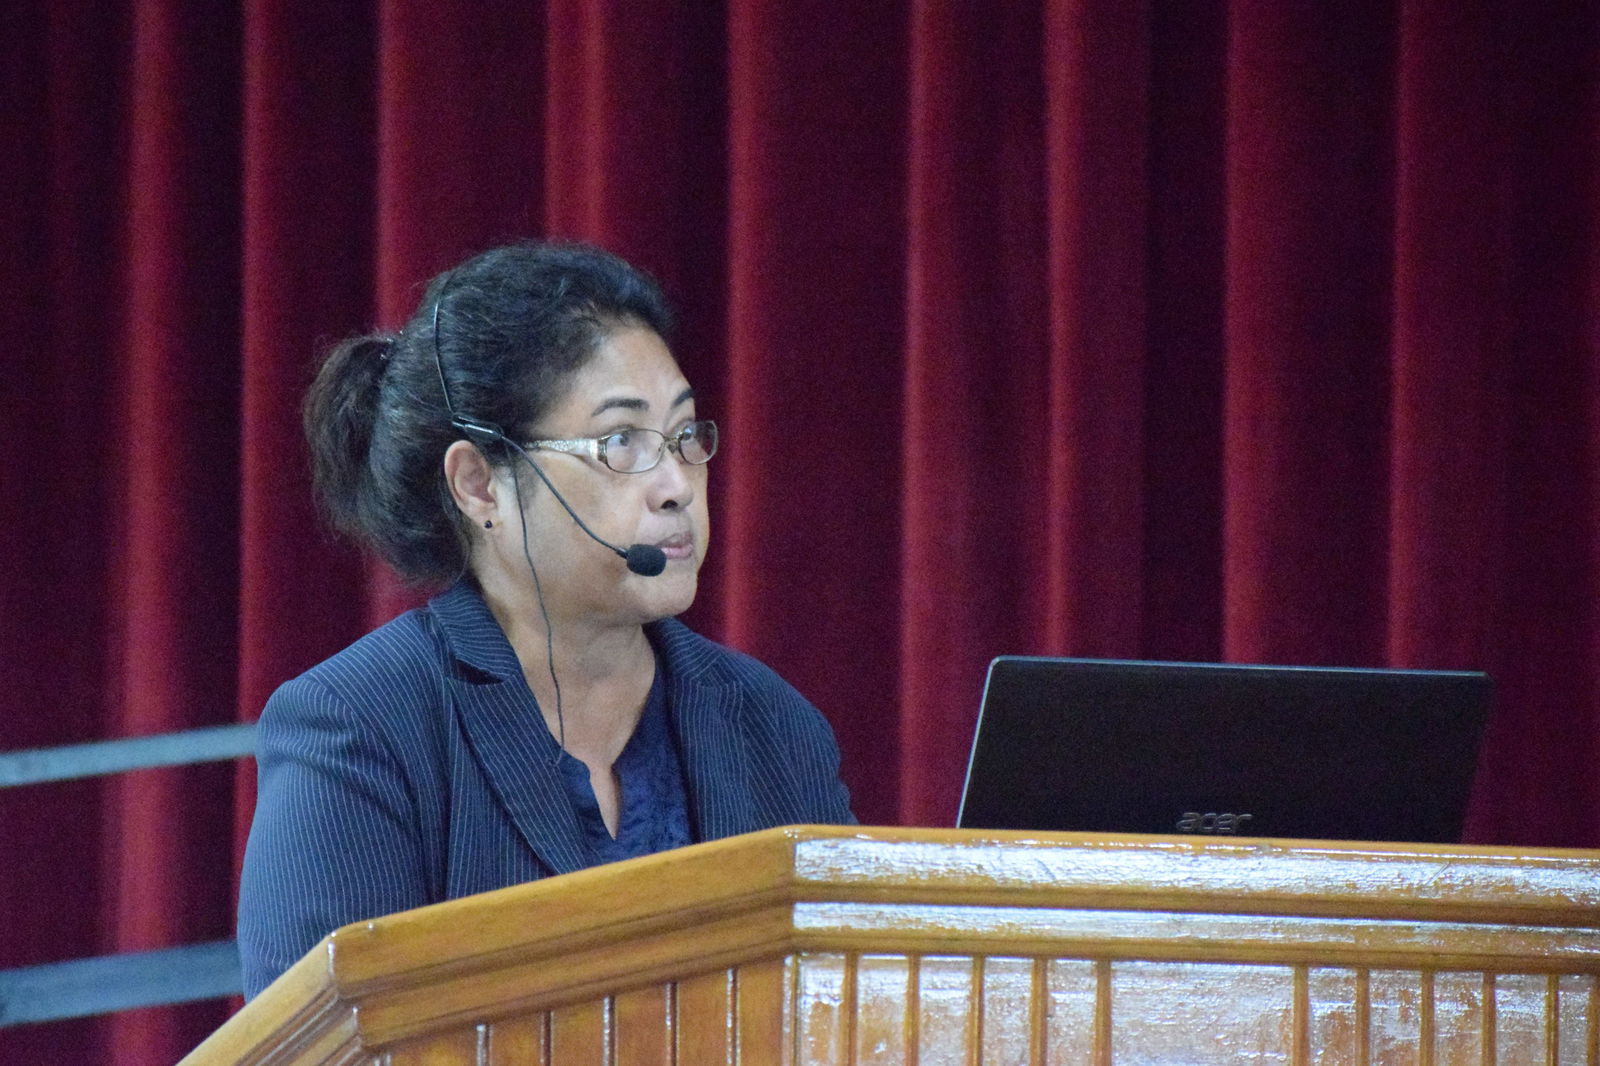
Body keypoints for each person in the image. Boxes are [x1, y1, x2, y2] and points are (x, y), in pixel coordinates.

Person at [236, 242, 854, 998]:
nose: (676, 485)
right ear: (478, 484)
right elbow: (329, 1039)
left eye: (686, 436)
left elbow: (846, 1013)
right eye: (621, 442)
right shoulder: (362, 731)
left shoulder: (774, 728)